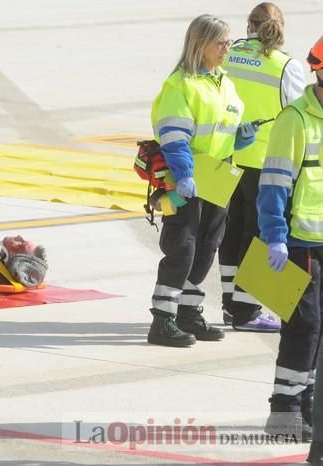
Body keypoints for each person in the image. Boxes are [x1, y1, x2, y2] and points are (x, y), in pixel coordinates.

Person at [147, 14, 258, 347]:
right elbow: (174, 135)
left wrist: (241, 139)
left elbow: (222, 131)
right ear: (200, 44)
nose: (227, 48)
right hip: (190, 178)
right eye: (221, 42)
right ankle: (162, 319)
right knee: (182, 246)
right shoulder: (181, 85)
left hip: (218, 174)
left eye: (228, 41)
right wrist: (183, 175)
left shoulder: (223, 81)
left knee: (208, 246)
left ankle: (188, 312)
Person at [218, 2, 305, 332]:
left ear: (250, 24)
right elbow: (297, 115)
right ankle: (246, 309)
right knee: (257, 235)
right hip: (265, 163)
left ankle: (230, 303)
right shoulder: (286, 67)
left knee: (228, 231)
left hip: (226, 155)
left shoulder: (229, 52)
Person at [257, 37, 323, 447]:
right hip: (298, 243)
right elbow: (274, 185)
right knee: (304, 325)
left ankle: (308, 408)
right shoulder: (296, 120)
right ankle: (284, 411)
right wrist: (275, 237)